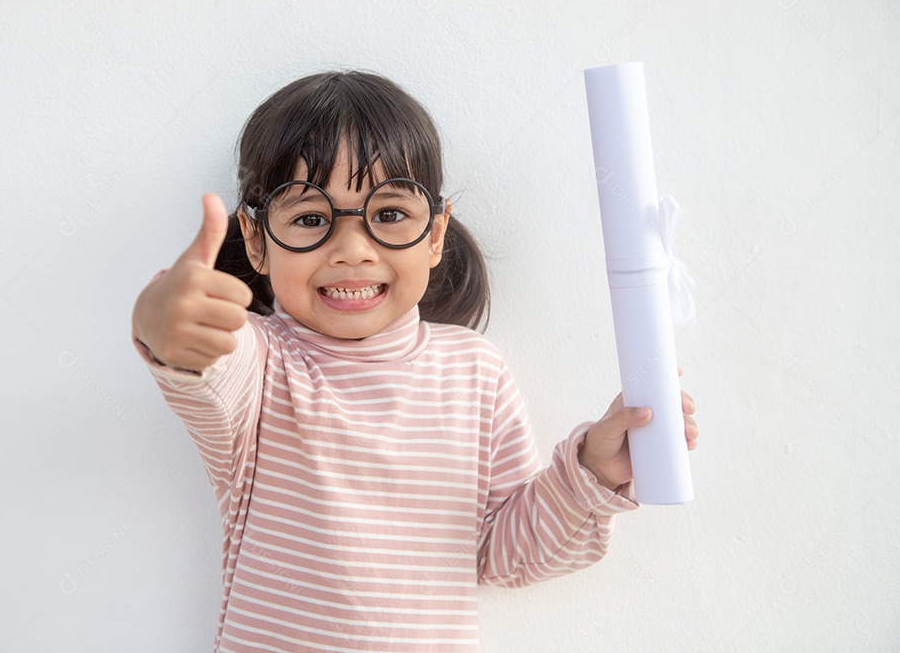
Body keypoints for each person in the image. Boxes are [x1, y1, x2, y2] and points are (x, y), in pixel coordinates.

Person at [131, 71, 699, 652]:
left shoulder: (474, 373)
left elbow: (505, 555)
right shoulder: (260, 364)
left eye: (388, 214)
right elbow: (200, 359)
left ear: (434, 233)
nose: (352, 250)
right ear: (256, 241)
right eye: (310, 219)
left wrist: (593, 473)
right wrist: (164, 315)